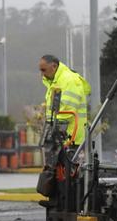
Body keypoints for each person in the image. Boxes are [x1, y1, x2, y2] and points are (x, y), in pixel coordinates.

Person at [36, 54, 91, 206]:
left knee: (71, 176)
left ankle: (69, 204)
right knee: (58, 172)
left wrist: (52, 131)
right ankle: (57, 201)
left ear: (54, 66)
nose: (42, 73)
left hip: (71, 137)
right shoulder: (55, 81)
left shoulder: (68, 80)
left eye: (44, 69)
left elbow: (67, 109)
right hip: (61, 135)